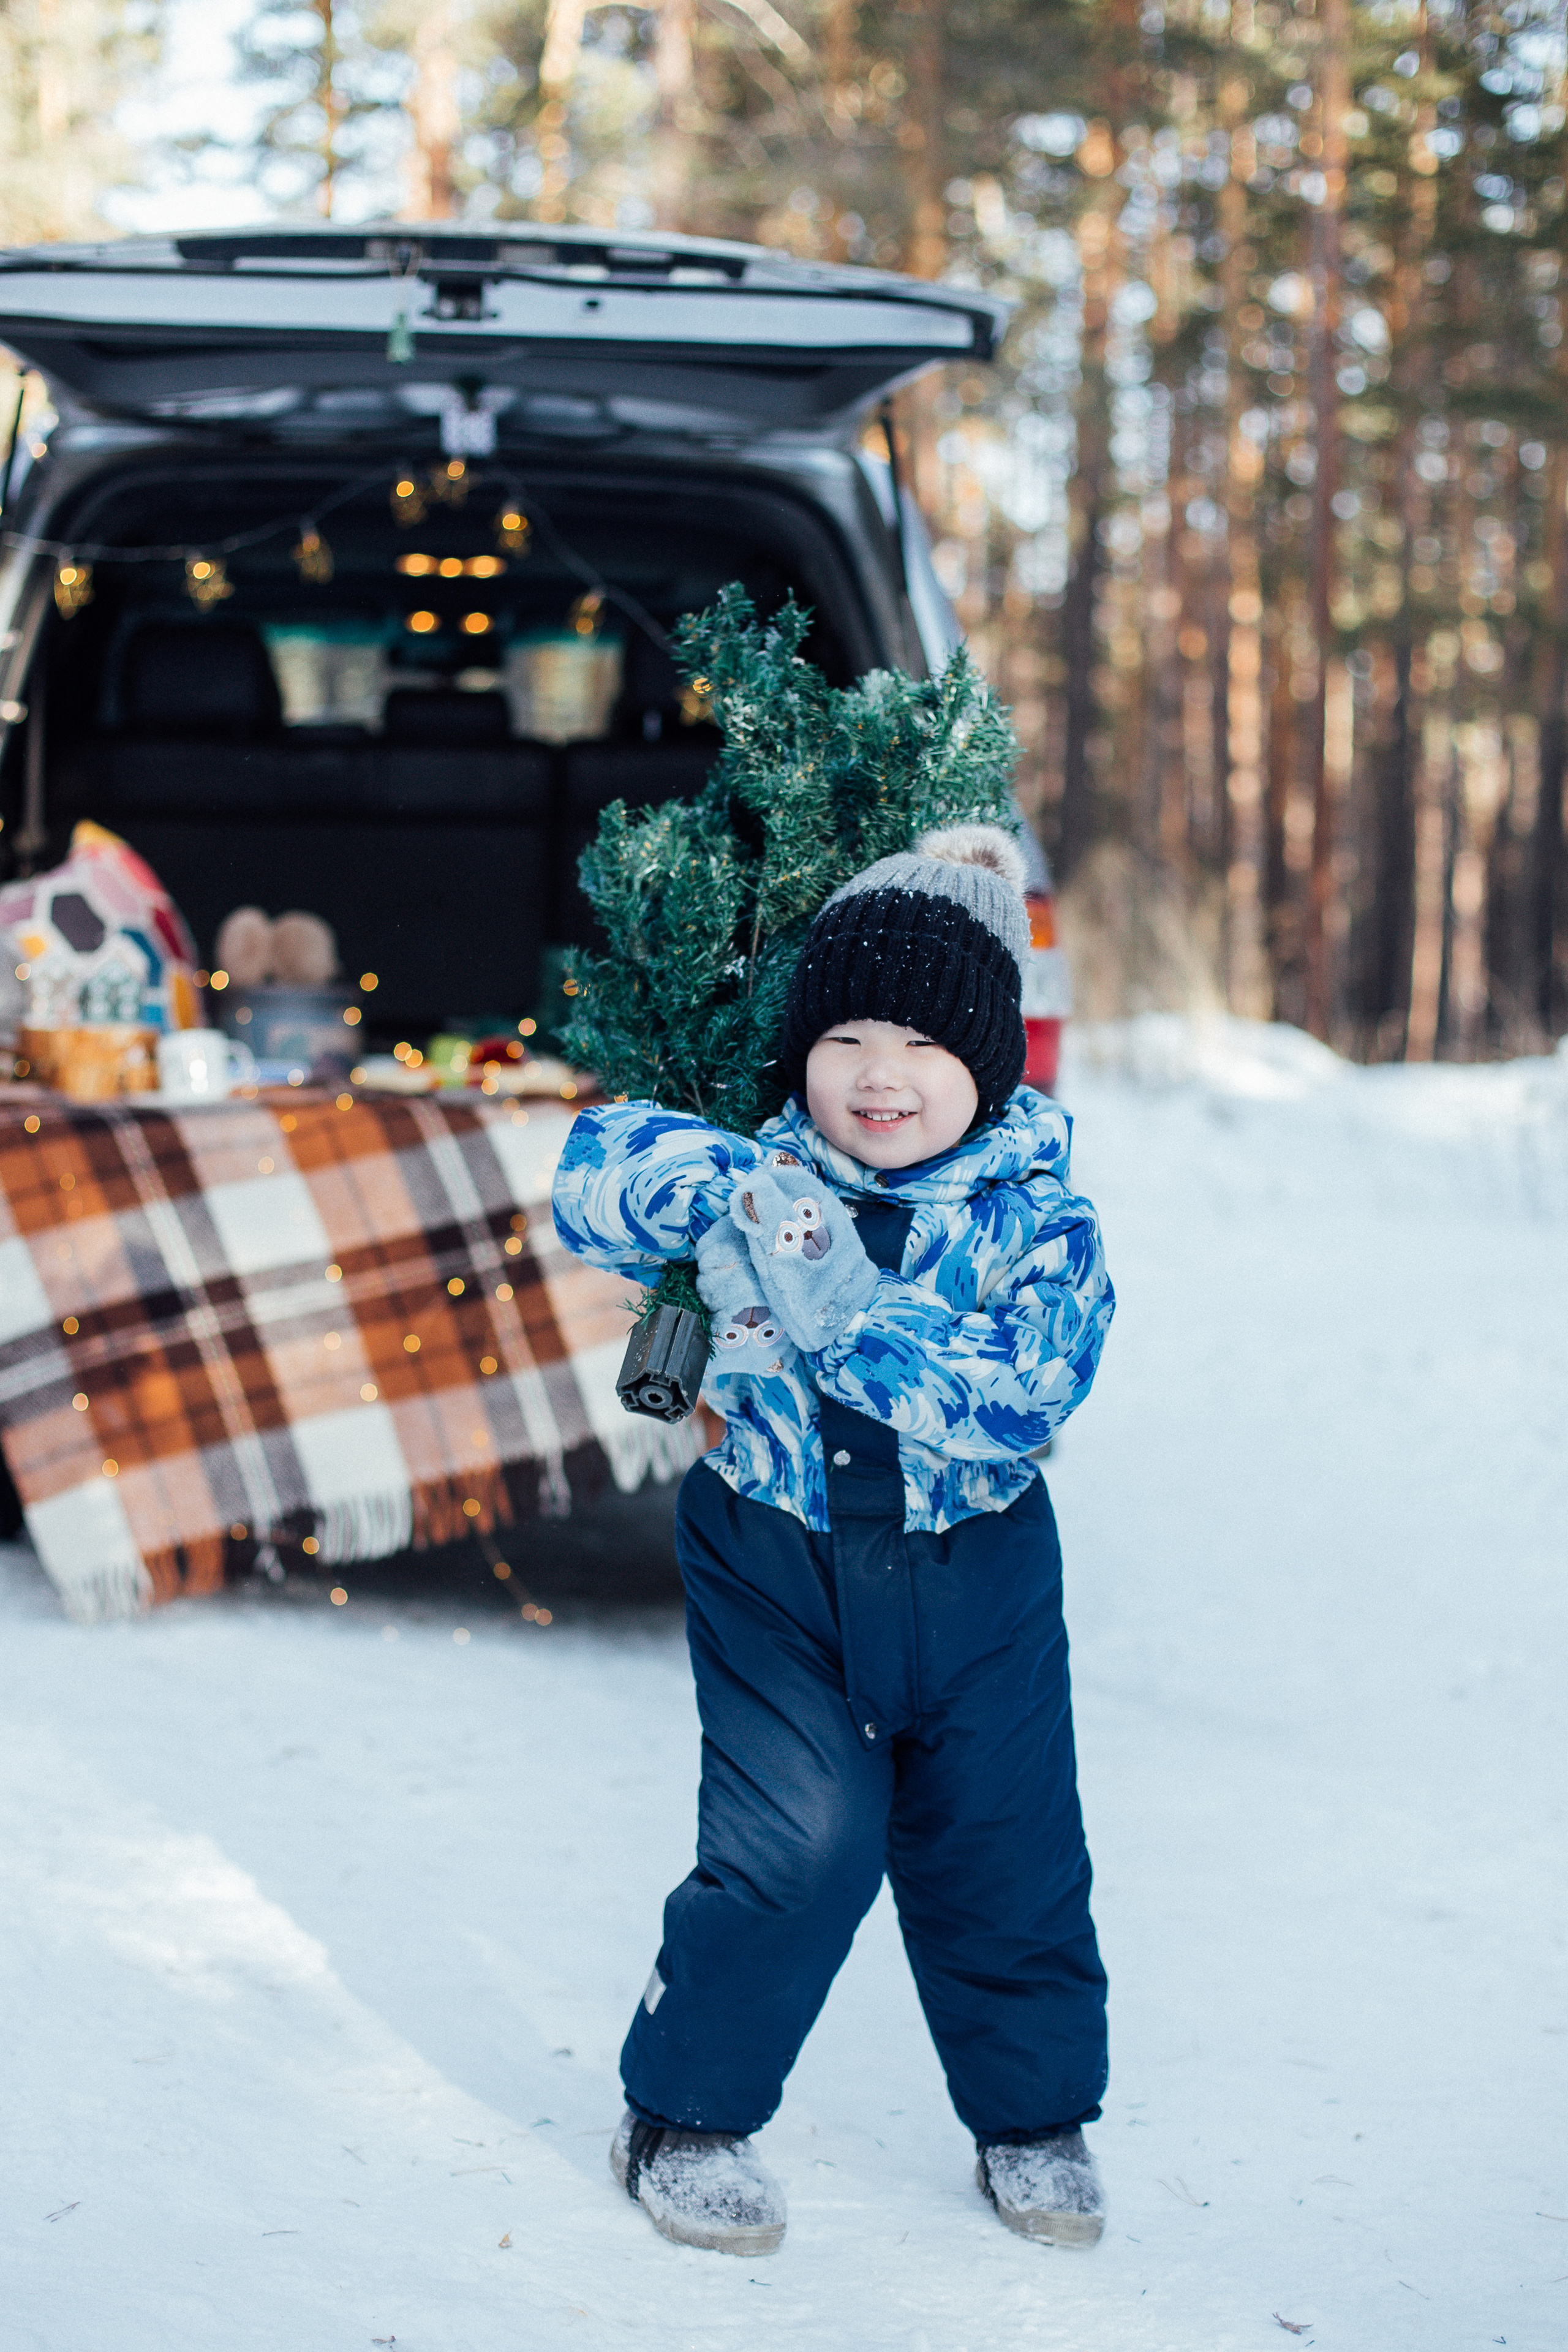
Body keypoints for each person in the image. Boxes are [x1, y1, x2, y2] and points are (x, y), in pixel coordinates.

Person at [551, 824, 1115, 2257]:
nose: (879, 1072)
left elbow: (1009, 1396)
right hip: (773, 1561)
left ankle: (1032, 2116)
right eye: (846, 1034)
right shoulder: (754, 1172)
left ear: (987, 1062)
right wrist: (736, 1190)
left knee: (1007, 1853)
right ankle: (679, 2113)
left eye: (923, 1043)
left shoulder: (1039, 1223)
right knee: (791, 1850)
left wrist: (830, 1291)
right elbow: (590, 1178)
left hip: (974, 1576)